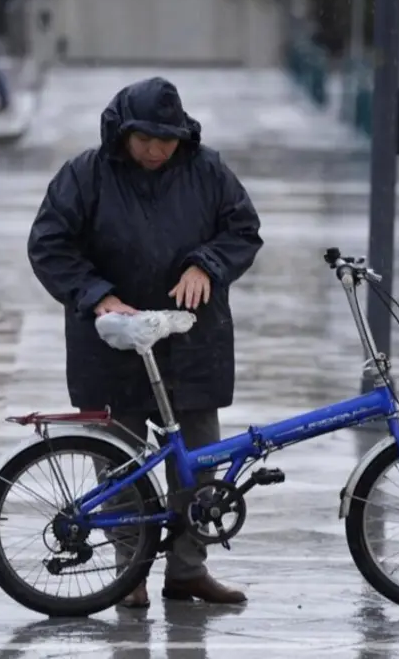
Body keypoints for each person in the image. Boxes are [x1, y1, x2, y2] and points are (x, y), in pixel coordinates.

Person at [27, 77, 263, 608]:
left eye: (168, 139)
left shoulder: (208, 172)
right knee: (121, 469)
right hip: (112, 347)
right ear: (123, 132)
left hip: (191, 344)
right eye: (145, 139)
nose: (157, 150)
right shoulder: (85, 175)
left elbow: (243, 230)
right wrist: (98, 295)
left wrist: (209, 263)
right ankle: (127, 575)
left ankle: (187, 571)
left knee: (198, 466)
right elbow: (48, 244)